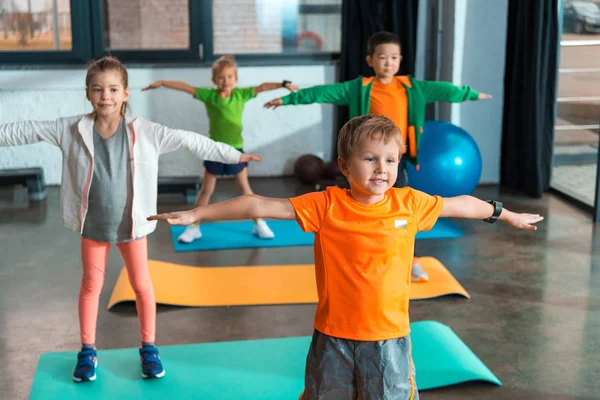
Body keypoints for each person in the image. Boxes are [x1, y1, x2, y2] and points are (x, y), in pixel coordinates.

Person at [148, 114, 543, 400]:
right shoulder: (326, 205)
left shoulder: (410, 204)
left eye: (390, 160)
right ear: (344, 165)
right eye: (370, 158)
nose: (381, 169)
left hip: (388, 338)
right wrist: (198, 213)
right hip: (333, 336)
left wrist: (505, 213)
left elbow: (461, 205)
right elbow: (259, 205)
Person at [0, 56, 261, 383]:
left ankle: (149, 348)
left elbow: (189, 140)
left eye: (112, 89)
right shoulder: (71, 129)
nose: (104, 96)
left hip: (132, 226)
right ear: (87, 94)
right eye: (97, 89)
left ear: (125, 93)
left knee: (142, 284)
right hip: (93, 225)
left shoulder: (145, 131)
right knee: (91, 286)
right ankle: (87, 351)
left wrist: (234, 155)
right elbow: (25, 130)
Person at [264, 31, 493, 283]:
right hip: (364, 165)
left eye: (394, 57)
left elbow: (445, 90)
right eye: (382, 57)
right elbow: (323, 92)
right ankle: (357, 257)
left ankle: (409, 260)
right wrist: (289, 99)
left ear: (400, 60)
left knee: (402, 214)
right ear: (370, 60)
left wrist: (471, 94)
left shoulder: (412, 88)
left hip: (395, 164)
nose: (388, 62)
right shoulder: (360, 88)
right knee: (358, 212)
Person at [143, 55, 299, 243]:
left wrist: (283, 84)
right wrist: (163, 82)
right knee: (207, 190)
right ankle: (194, 227)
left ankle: (259, 223)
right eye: (221, 77)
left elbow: (262, 87)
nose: (226, 81)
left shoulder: (241, 94)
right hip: (214, 151)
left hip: (237, 151)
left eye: (230, 77)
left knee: (245, 189)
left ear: (236, 78)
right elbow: (186, 87)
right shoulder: (210, 96)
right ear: (214, 80)